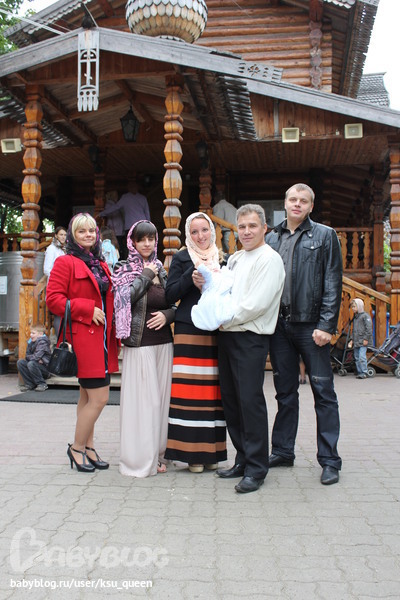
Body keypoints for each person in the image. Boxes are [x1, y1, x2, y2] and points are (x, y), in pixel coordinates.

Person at [265, 183, 342, 486]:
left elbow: (333, 280)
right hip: (279, 326)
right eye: (293, 199)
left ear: (311, 206)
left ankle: (330, 460)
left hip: (312, 327)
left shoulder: (325, 235)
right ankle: (283, 451)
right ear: (285, 203)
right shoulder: (271, 238)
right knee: (285, 393)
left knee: (324, 394)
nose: (297, 204)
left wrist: (327, 325)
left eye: (304, 201)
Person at [216, 204, 285, 494]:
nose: (246, 232)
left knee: (250, 402)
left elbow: (257, 304)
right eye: (242, 226)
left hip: (249, 337)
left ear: (264, 228)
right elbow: (224, 291)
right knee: (232, 401)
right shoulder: (235, 258)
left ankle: (257, 468)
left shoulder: (270, 259)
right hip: (227, 335)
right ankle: (242, 459)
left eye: (252, 226)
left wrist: (223, 318)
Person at [46, 213, 119, 473]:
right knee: (100, 397)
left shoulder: (100, 263)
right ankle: (76, 448)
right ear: (73, 236)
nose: (88, 235)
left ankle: (88, 447)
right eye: (81, 231)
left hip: (103, 339)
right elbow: (53, 299)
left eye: (91, 231)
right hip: (83, 338)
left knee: (87, 397)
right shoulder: (65, 262)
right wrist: (86, 309)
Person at [164, 212, 227, 473]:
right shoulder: (181, 258)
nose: (200, 236)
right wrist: (190, 277)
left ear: (212, 231)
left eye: (204, 230)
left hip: (216, 331)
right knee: (190, 393)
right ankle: (192, 455)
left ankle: (212, 453)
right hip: (189, 329)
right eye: (194, 232)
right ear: (188, 235)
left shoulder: (223, 258)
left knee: (213, 393)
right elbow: (169, 295)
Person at [112, 220, 175, 477]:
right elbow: (123, 299)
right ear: (132, 242)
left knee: (161, 402)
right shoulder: (122, 268)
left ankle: (158, 454)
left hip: (164, 344)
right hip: (139, 344)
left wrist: (169, 316)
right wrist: (146, 275)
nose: (147, 244)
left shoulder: (162, 268)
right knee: (143, 404)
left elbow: (174, 301)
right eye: (141, 239)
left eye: (151, 239)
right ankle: (140, 459)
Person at [99, 181, 150, 259]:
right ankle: (141, 260)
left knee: (131, 245)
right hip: (141, 226)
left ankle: (132, 260)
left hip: (133, 226)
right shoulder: (141, 198)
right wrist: (149, 225)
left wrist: (101, 214)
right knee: (140, 243)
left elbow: (115, 207)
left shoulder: (126, 197)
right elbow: (147, 213)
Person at [44, 226, 67, 337]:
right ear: (56, 235)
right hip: (56, 285)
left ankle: (65, 341)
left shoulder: (65, 249)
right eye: (61, 234)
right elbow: (46, 269)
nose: (63, 237)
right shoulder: (51, 249)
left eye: (65, 235)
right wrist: (59, 277)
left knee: (66, 313)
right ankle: (59, 340)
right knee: (59, 313)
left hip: (66, 285)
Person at [17, 324, 51, 392]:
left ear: (40, 334)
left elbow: (36, 357)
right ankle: (30, 384)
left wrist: (34, 358)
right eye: (31, 333)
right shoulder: (31, 342)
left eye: (33, 333)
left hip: (45, 370)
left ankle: (42, 384)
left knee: (31, 363)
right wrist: (35, 359)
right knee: (20, 362)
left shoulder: (43, 342)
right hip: (35, 365)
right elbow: (27, 355)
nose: (30, 335)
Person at [350, 298, 373, 379]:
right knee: (356, 357)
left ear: (359, 306)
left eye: (354, 306)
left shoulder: (365, 316)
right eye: (352, 307)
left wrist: (366, 339)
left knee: (361, 357)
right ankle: (359, 372)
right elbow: (354, 330)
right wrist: (352, 340)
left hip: (363, 341)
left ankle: (364, 372)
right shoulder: (355, 317)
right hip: (356, 341)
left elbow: (369, 329)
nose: (353, 308)